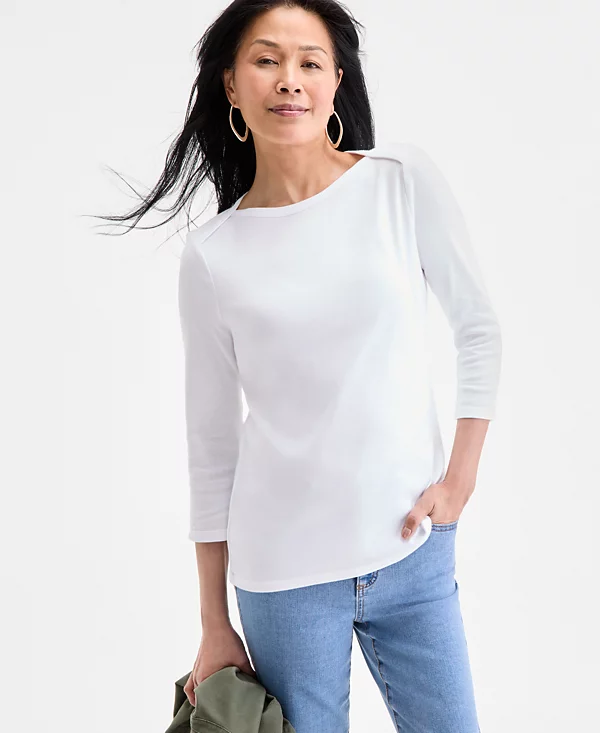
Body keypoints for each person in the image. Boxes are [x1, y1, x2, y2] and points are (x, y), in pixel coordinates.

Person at [98, 2, 502, 731]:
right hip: (283, 580)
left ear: (336, 81)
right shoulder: (214, 254)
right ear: (231, 85)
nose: (290, 79)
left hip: (412, 552)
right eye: (266, 60)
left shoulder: (400, 182)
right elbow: (211, 445)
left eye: (310, 62)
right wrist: (213, 620)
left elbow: (478, 328)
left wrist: (460, 480)